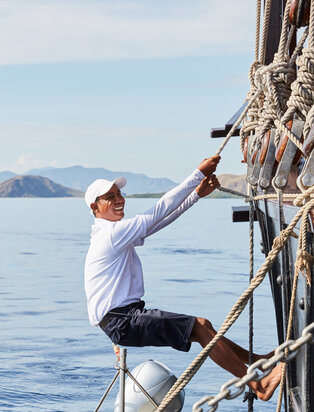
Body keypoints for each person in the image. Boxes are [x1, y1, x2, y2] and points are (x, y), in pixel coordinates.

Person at [84, 155, 281, 401]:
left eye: (118, 194)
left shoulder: (112, 233)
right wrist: (196, 175)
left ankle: (257, 361)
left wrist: (196, 195)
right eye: (109, 197)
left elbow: (160, 221)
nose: (118, 200)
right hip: (122, 320)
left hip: (123, 318)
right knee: (199, 327)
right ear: (95, 208)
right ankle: (259, 385)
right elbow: (157, 211)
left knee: (203, 327)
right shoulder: (111, 234)